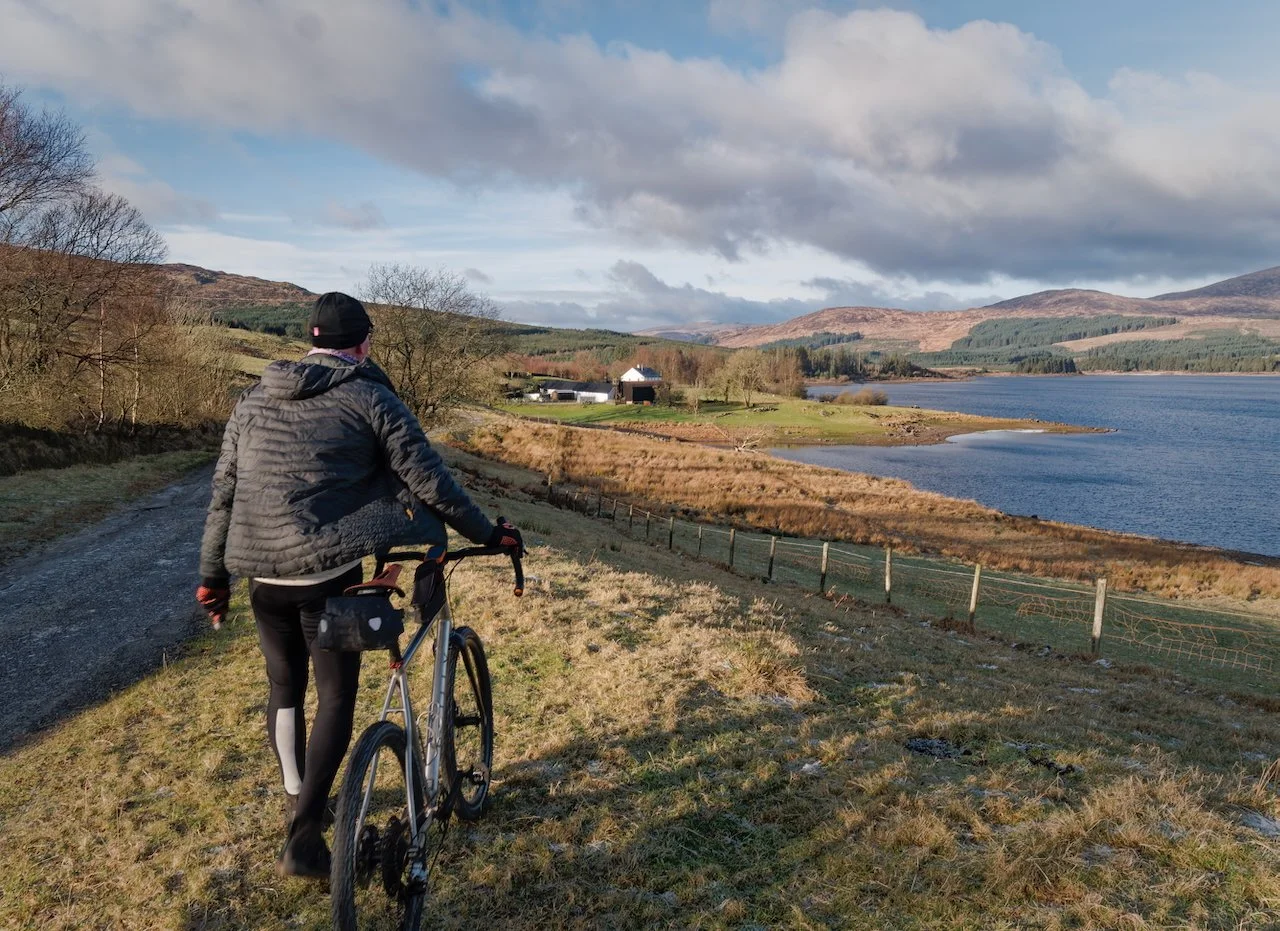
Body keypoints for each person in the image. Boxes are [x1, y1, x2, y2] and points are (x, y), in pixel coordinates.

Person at [195, 292, 521, 879]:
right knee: (337, 695)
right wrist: (486, 532)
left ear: (311, 340)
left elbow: (223, 492)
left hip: (262, 576)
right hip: (325, 572)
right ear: (363, 344)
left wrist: (211, 576)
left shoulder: (252, 400)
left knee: (284, 687)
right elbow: (429, 478)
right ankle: (304, 839)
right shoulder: (370, 395)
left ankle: (301, 803)